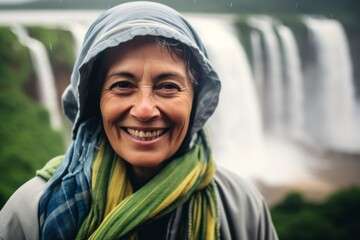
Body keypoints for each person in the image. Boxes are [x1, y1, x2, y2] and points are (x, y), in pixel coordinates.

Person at [0, 2, 278, 239]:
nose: (145, 110)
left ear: (197, 100)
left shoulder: (242, 209)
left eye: (168, 86)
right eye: (122, 85)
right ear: (94, 100)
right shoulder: (29, 214)